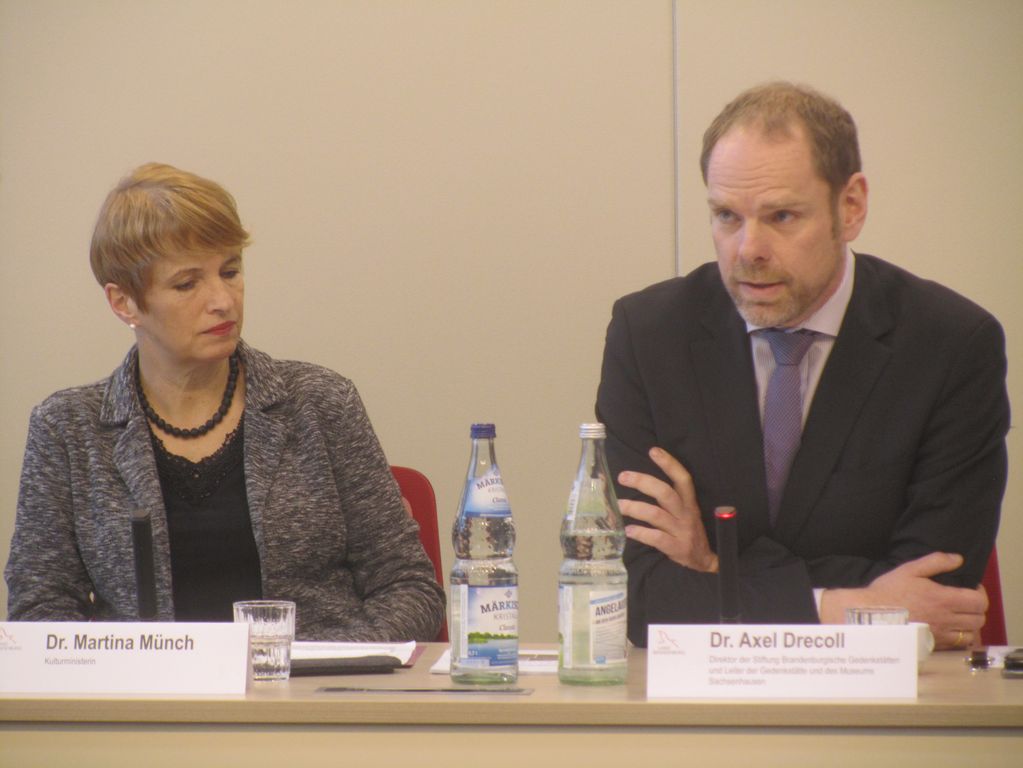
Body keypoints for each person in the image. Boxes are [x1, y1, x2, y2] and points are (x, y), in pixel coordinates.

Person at [596, 82, 1009, 650]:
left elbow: (936, 599)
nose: (748, 249)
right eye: (726, 216)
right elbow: (638, 597)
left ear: (852, 205)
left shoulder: (951, 346)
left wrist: (715, 569)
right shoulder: (650, 335)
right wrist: (841, 605)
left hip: (888, 707)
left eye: (782, 216)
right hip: (702, 702)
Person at [5, 163, 445, 642]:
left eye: (230, 271)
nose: (223, 301)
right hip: (151, 708)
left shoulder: (320, 402)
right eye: (187, 283)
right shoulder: (68, 429)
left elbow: (410, 588)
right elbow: (39, 613)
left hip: (315, 702)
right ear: (124, 303)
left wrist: (326, 668)